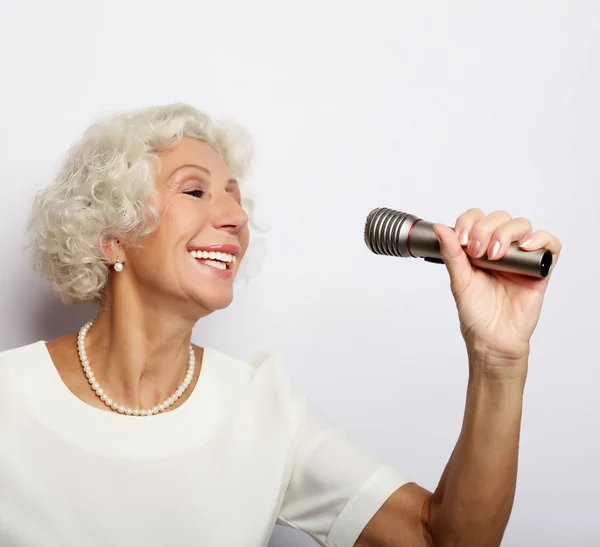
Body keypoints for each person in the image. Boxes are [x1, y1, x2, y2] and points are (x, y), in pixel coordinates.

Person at [0, 103, 561, 547]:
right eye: (194, 191)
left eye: (235, 199)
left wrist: (498, 359)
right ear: (111, 235)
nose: (237, 217)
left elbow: (443, 540)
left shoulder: (263, 407)